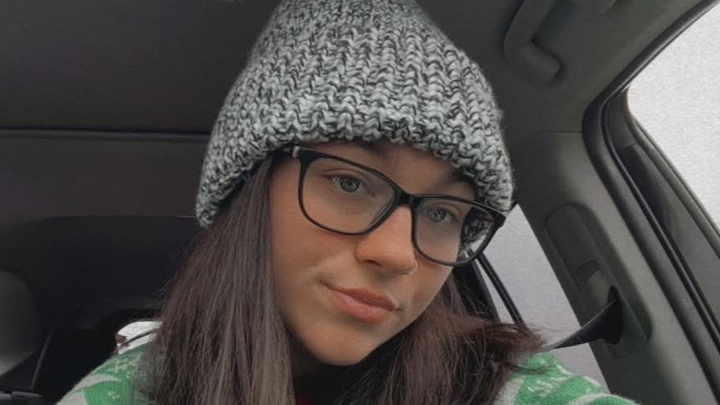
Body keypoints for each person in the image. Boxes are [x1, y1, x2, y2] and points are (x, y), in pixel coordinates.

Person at [57, 0, 639, 404]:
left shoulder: (505, 385)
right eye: (351, 183)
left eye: (442, 213)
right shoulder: (125, 394)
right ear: (246, 194)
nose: (399, 256)